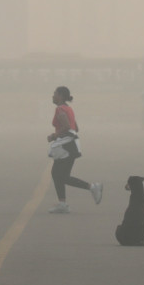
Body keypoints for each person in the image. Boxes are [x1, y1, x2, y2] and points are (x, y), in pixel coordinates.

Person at [46, 86, 102, 214]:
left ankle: (92, 187)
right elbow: (75, 127)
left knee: (61, 176)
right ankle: (62, 204)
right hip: (71, 144)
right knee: (57, 174)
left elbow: (66, 126)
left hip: (67, 146)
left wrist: (54, 136)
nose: (53, 96)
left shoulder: (60, 109)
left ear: (60, 96)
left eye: (54, 94)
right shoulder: (68, 109)